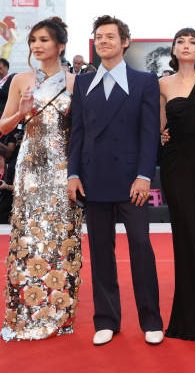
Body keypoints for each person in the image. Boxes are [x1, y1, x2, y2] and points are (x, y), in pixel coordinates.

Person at [67, 15, 163, 346]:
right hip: (93, 181)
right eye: (99, 36)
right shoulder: (83, 83)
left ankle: (151, 319)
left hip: (131, 182)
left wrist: (143, 176)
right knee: (101, 253)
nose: (104, 41)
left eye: (111, 36)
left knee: (141, 249)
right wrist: (73, 173)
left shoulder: (144, 81)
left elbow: (149, 134)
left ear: (125, 42)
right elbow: (77, 134)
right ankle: (106, 319)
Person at [0, 17, 83, 341]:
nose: (36, 45)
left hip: (64, 170)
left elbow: (82, 132)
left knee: (62, 241)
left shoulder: (76, 82)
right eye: (34, 39)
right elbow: (3, 127)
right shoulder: (21, 79)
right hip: (30, 169)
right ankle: (24, 310)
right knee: (28, 240)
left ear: (60, 45)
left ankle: (59, 314)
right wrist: (21, 112)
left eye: (44, 40)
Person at [158, 27, 195, 344]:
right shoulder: (163, 84)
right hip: (175, 165)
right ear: (173, 48)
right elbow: (157, 128)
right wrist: (161, 135)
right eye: (180, 41)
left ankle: (194, 310)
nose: (186, 45)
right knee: (186, 234)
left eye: (192, 42)